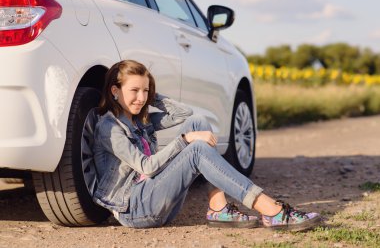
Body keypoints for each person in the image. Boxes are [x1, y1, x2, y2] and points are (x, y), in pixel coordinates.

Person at [92, 60, 322, 231]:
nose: (141, 98)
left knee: (198, 123)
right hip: (135, 210)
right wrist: (184, 141)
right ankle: (270, 209)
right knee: (196, 146)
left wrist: (150, 95)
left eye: (145, 91)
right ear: (115, 90)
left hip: (154, 199)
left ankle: (218, 208)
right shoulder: (109, 127)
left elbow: (185, 113)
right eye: (134, 90)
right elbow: (146, 166)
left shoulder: (141, 120)